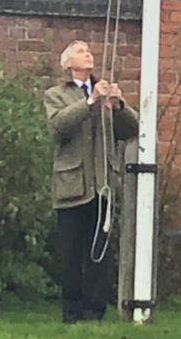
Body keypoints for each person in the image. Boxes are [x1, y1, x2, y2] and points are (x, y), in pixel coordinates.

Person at [43, 40, 139, 324]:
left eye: (89, 51)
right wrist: (90, 102)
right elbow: (58, 126)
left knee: (99, 251)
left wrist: (119, 106)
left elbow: (130, 130)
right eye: (82, 52)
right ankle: (71, 311)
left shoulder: (104, 90)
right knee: (72, 253)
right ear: (69, 63)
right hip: (72, 185)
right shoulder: (56, 94)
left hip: (103, 184)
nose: (89, 55)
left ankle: (95, 311)